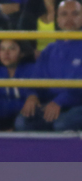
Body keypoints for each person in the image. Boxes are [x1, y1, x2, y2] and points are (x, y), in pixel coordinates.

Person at [15, 0, 82, 131]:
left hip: (76, 105)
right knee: (22, 122)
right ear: (57, 19)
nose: (69, 18)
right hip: (51, 104)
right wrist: (32, 95)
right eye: (64, 14)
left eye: (75, 14)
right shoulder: (49, 49)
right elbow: (36, 79)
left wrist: (60, 101)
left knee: (61, 125)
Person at [0, 39, 36, 130]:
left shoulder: (32, 70)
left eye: (12, 49)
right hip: (1, 118)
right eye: (2, 49)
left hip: (24, 117)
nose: (6, 53)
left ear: (22, 53)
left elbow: (31, 104)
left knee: (22, 121)